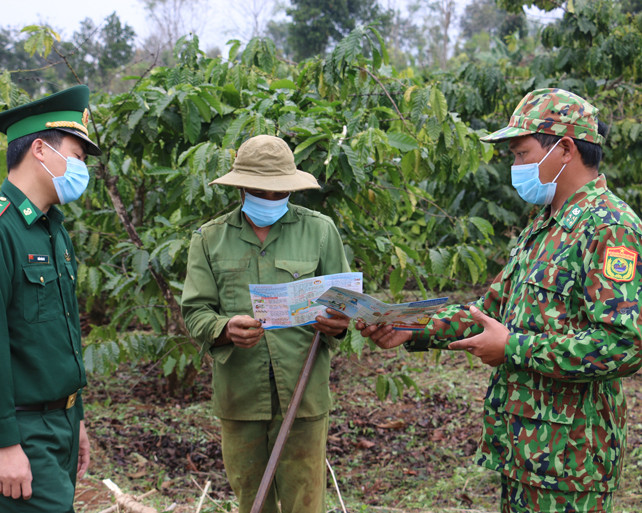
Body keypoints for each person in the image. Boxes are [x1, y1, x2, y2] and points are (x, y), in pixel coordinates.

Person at [358, 88, 642, 513]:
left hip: (571, 461)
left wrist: (514, 348)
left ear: (565, 149)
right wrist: (410, 325)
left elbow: (624, 344)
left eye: (522, 154)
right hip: (524, 449)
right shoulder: (543, 226)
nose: (516, 166)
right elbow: (489, 311)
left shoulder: (610, 227)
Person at [0, 85, 101, 512]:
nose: (82, 169)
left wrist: (75, 416)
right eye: (77, 156)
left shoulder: (52, 230)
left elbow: (61, 335)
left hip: (58, 423)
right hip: (18, 429)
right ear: (40, 149)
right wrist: (2, 441)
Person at [180, 135, 351, 513]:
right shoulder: (209, 239)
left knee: (305, 502)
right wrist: (224, 329)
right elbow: (195, 311)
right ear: (241, 188)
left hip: (303, 390)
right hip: (241, 394)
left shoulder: (320, 231)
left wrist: (337, 324)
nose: (271, 199)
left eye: (279, 192)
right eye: (261, 192)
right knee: (252, 500)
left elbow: (344, 309)